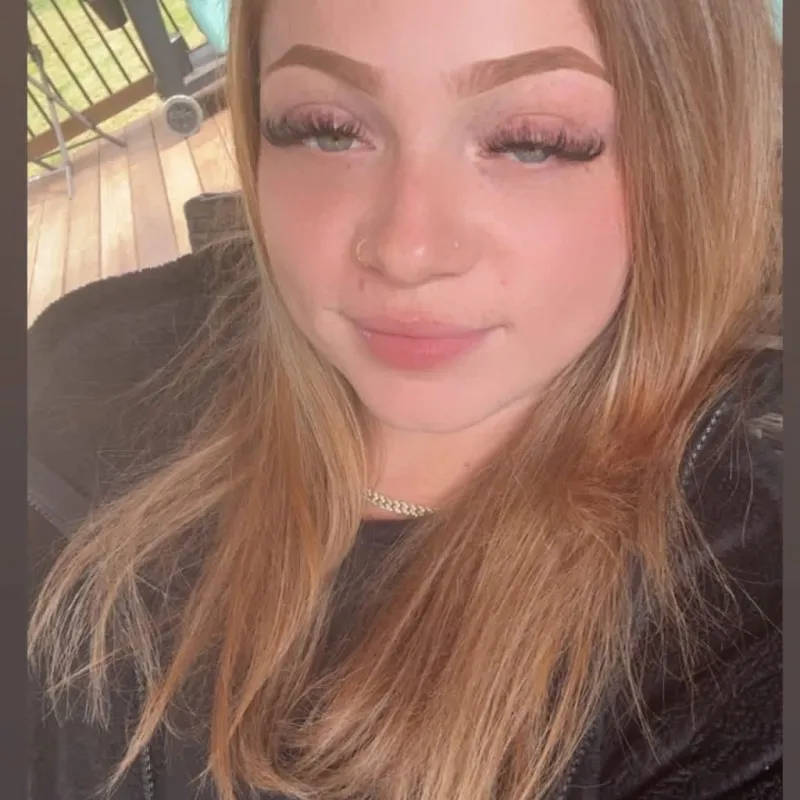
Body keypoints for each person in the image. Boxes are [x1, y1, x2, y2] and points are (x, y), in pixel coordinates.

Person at [27, 0, 782, 798]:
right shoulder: (85, 369)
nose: (406, 250)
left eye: (532, 141)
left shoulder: (745, 620)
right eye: (326, 128)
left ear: (692, 146)